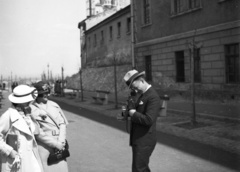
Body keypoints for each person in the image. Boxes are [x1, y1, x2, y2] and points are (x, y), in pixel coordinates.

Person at [123, 69, 162, 172]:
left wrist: (132, 113)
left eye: (135, 87)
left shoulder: (153, 96)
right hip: (138, 139)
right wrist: (126, 111)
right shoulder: (141, 95)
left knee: (139, 169)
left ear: (141, 80)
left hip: (145, 141)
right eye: (132, 88)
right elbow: (129, 113)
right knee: (141, 169)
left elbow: (148, 120)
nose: (135, 90)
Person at [0, 84, 44, 172]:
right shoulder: (8, 116)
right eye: (27, 100)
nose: (30, 102)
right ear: (19, 101)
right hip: (15, 159)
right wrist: (9, 151)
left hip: (30, 157)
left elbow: (34, 132)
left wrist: (31, 117)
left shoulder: (26, 113)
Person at [30, 81, 69, 172]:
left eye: (47, 93)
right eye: (43, 93)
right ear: (37, 95)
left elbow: (62, 124)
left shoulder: (54, 105)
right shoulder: (32, 109)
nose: (46, 95)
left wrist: (61, 141)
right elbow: (38, 133)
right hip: (45, 147)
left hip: (60, 143)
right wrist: (55, 144)